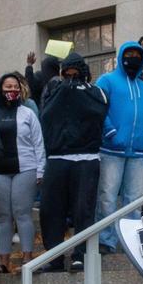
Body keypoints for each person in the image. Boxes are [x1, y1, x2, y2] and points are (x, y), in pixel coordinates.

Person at [39, 51, 108, 272]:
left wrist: (77, 90)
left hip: (86, 158)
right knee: (51, 210)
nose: (71, 77)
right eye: (66, 74)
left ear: (84, 73)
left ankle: (81, 255)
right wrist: (64, 90)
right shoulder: (54, 90)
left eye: (75, 73)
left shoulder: (95, 91)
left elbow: (97, 112)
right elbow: (46, 115)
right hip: (57, 157)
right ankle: (55, 257)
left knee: (83, 210)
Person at [95, 42, 143, 254]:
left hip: (138, 151)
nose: (133, 58)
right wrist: (110, 133)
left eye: (138, 55)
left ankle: (131, 241)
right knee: (107, 196)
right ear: (121, 56)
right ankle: (106, 240)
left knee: (135, 200)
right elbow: (98, 108)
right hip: (111, 149)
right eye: (129, 54)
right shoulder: (106, 80)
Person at [0, 73, 44, 274]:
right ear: (0, 89)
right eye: (7, 87)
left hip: (26, 168)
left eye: (15, 87)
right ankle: (4, 262)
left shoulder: (28, 113)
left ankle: (27, 259)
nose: (11, 91)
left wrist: (41, 169)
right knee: (3, 217)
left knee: (22, 214)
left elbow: (38, 143)